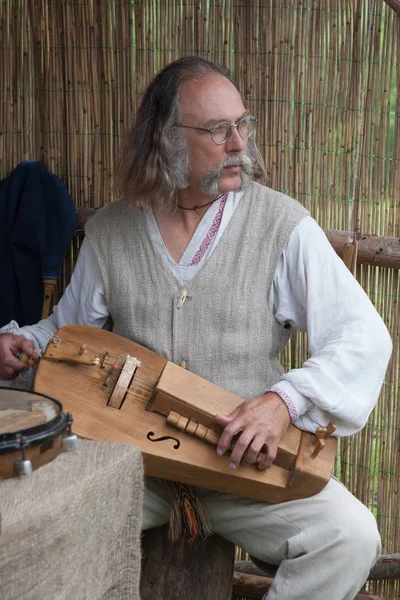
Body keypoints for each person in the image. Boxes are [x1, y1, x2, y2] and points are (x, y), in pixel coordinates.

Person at [0, 56, 392, 600]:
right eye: (217, 129)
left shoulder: (281, 225)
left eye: (243, 124)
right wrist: (26, 343)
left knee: (350, 537)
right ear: (166, 139)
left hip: (242, 469)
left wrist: (283, 402)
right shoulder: (114, 229)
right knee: (26, 520)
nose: (239, 144)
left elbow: (364, 336)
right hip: (131, 463)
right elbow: (68, 331)